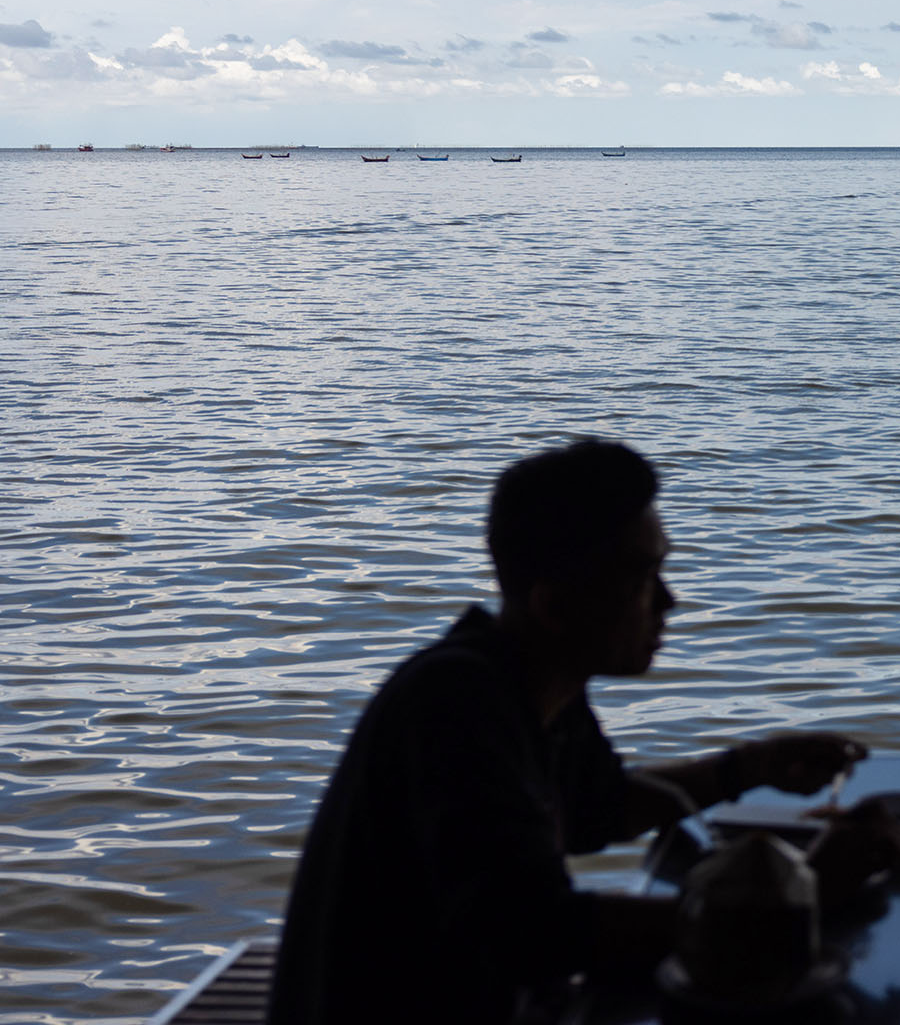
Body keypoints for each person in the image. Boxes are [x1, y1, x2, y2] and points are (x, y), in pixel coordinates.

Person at [270, 439, 868, 1025]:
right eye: (641, 580)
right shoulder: (457, 704)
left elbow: (597, 806)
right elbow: (538, 932)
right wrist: (797, 900)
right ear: (555, 606)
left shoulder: (533, 680)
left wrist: (751, 768)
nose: (669, 601)